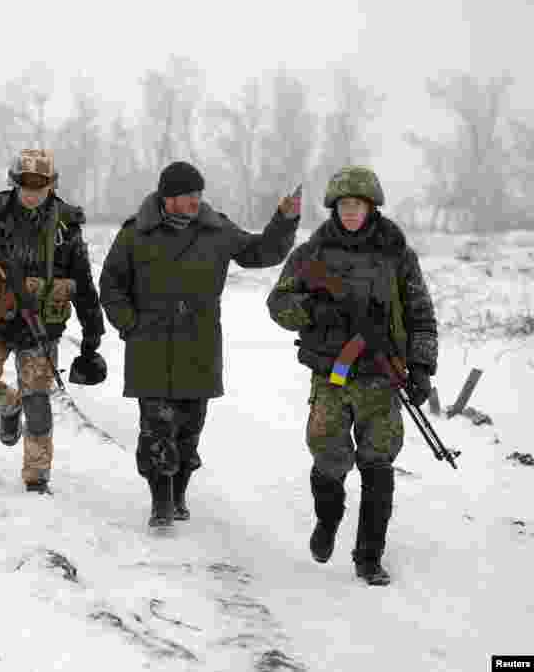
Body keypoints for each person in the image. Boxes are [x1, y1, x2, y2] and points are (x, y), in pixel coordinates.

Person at [99, 161, 300, 527]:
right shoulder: (135, 233)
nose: (195, 200)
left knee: (189, 430)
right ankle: (160, 503)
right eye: (187, 194)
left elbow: (260, 253)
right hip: (151, 347)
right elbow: (110, 285)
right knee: (156, 429)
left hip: (199, 345)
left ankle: (178, 496)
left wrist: (283, 221)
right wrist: (130, 325)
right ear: (168, 197)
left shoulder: (216, 229)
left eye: (198, 194)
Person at [266, 166, 437, 585]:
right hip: (332, 375)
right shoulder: (313, 254)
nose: (351, 212)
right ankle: (328, 521)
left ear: (371, 206)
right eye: (344, 205)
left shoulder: (397, 252)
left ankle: (369, 557)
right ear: (335, 208)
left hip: (381, 375)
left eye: (357, 205)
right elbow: (278, 303)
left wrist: (421, 367)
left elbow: (421, 314)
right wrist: (315, 311)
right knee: (328, 456)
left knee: (378, 462)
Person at [0, 149, 106, 494]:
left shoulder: (66, 225)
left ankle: (37, 479)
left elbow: (85, 285)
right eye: (25, 184)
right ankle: (8, 405)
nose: (32, 192)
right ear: (13, 183)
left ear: (52, 184)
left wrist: (93, 336)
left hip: (40, 328)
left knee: (38, 403)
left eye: (40, 184)